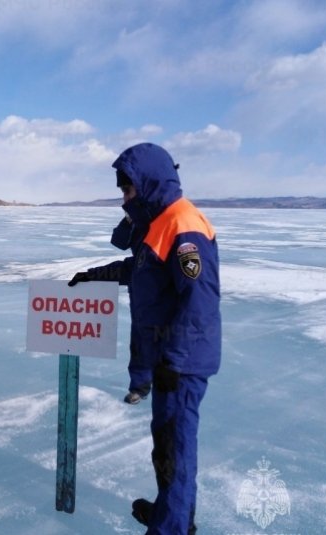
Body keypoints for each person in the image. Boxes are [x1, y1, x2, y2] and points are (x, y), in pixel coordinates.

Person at [111, 143, 221, 534]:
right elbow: (144, 271)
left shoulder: (183, 224)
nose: (124, 198)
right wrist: (98, 275)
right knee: (166, 445)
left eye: (128, 190)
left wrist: (174, 361)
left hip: (182, 362)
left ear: (148, 183)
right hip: (168, 358)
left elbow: (199, 303)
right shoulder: (160, 222)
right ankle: (169, 514)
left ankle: (172, 528)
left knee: (175, 448)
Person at [68, 214, 152, 405]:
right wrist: (89, 276)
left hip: (168, 313)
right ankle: (140, 387)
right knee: (140, 345)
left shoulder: (166, 241)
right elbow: (123, 267)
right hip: (142, 310)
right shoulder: (139, 259)